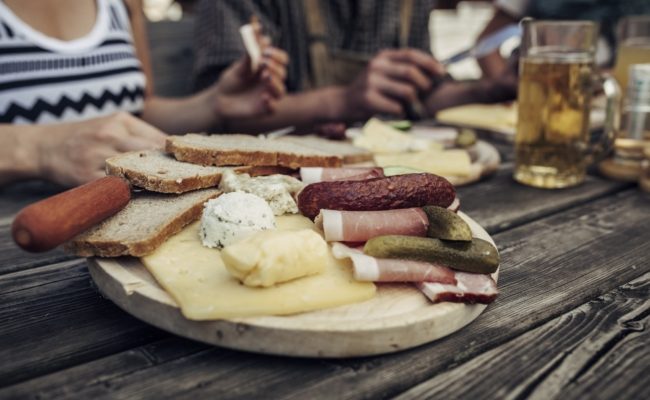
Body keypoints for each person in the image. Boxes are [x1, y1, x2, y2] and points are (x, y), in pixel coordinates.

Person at [0, 0, 288, 187]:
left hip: (118, 207)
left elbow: (138, 108)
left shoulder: (124, 4)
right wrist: (41, 149)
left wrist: (214, 103)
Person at [194, 0, 513, 137]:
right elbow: (223, 110)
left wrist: (490, 89)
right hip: (278, 180)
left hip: (388, 171)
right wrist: (343, 100)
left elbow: (420, 95)